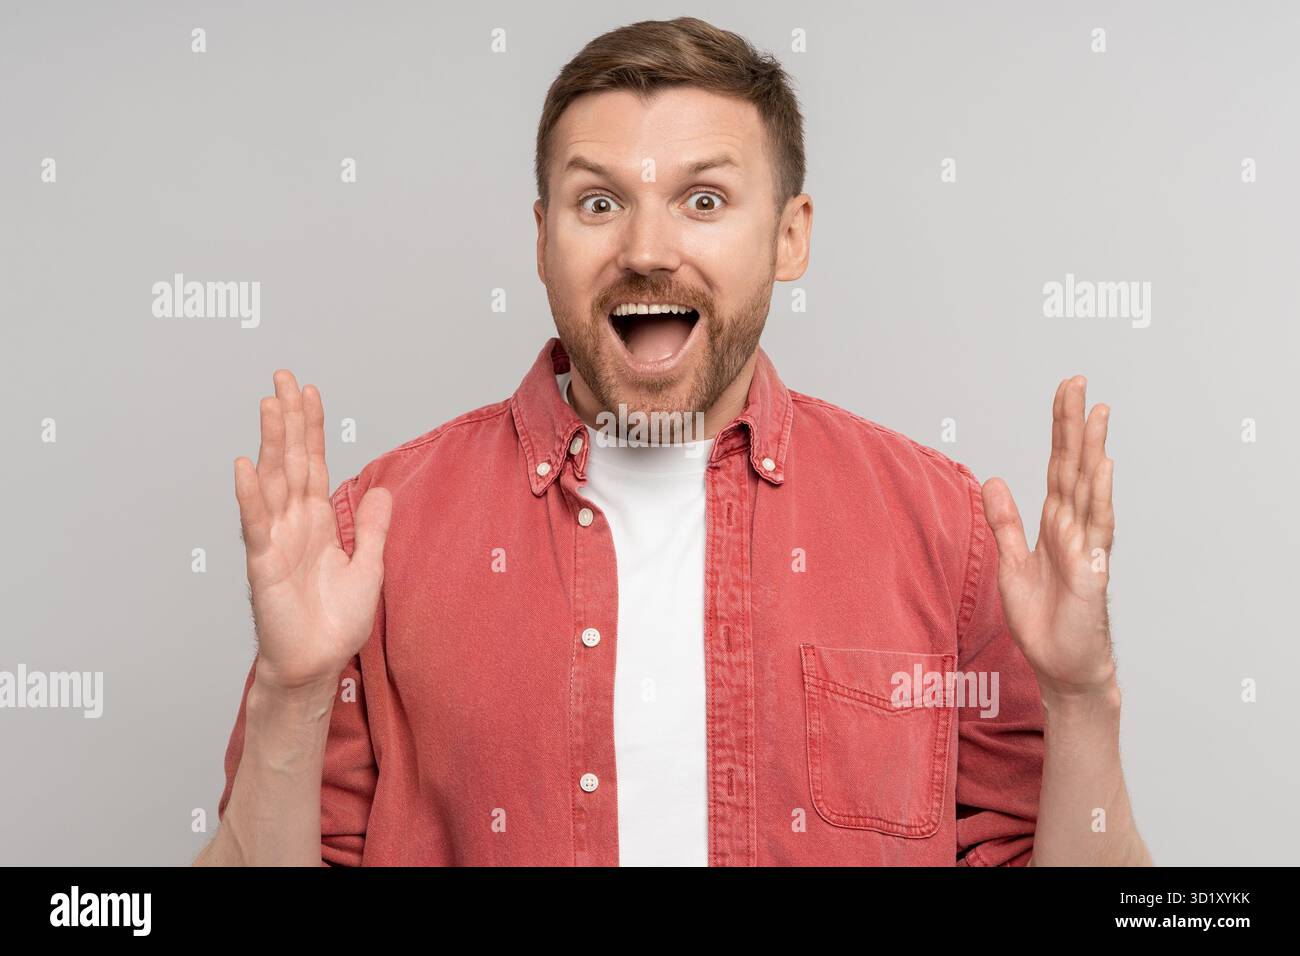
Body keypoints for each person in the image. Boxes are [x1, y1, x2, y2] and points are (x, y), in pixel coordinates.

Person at [194, 16, 1150, 866]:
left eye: (703, 201)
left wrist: (1079, 699)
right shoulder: (376, 537)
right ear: (541, 241)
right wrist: (293, 688)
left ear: (789, 236)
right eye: (599, 203)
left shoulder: (949, 534)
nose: (647, 249)